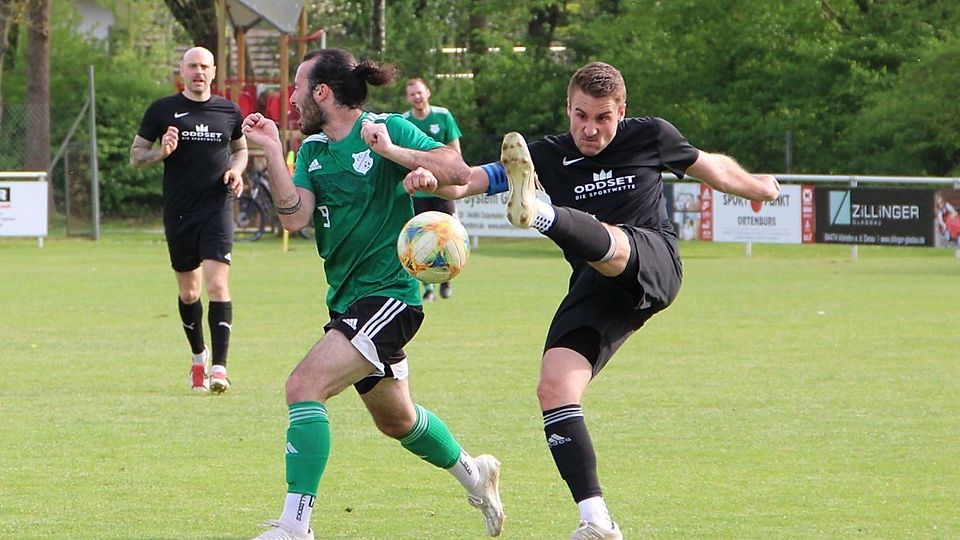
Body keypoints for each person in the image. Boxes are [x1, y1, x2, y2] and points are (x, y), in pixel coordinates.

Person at [404, 61, 780, 540]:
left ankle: (540, 215)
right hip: (596, 287)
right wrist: (429, 180)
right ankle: (597, 521)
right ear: (568, 108)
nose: (590, 128)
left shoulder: (651, 136)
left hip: (652, 257)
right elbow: (467, 181)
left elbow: (715, 169)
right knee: (555, 388)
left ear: (622, 112)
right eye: (581, 115)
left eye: (603, 117)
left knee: (614, 239)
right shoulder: (546, 155)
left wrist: (760, 186)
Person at [239, 48, 504, 540]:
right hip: (347, 301)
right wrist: (274, 151)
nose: (293, 99)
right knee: (397, 420)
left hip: (390, 297)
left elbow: (458, 170)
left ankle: (295, 526)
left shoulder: (387, 128)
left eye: (298, 88)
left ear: (322, 92)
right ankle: (475, 472)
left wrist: (391, 151)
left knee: (303, 387)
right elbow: (295, 217)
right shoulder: (314, 152)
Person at [130, 46, 248, 394]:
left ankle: (221, 369)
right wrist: (160, 153)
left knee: (217, 285)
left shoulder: (228, 110)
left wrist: (236, 171)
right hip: (180, 211)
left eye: (205, 67)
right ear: (181, 71)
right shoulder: (163, 110)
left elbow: (240, 150)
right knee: (190, 291)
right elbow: (136, 157)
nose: (199, 72)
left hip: (217, 208)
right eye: (192, 66)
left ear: (214, 72)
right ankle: (199, 358)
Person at [402, 77, 464, 301]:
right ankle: (427, 288)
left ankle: (446, 281)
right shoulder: (404, 121)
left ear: (427, 92)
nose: (417, 97)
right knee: (420, 240)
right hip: (419, 192)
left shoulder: (443, 116)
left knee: (449, 237)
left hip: (443, 190)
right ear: (408, 98)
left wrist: (455, 176)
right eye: (412, 94)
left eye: (420, 92)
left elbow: (455, 151)